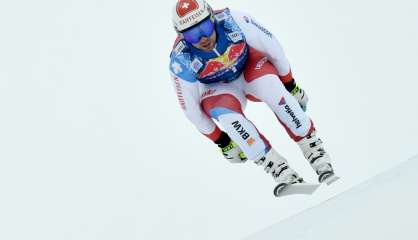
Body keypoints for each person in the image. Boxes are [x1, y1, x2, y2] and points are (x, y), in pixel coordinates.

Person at [169, 0, 336, 195]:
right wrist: (222, 141)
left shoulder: (233, 20)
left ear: (212, 17)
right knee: (228, 117)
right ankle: (279, 169)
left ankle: (314, 150)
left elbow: (273, 48)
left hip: (250, 67)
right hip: (219, 88)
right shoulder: (181, 59)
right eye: (192, 34)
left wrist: (290, 85)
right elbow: (189, 108)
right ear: (181, 36)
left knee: (274, 88)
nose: (203, 38)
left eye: (205, 27)